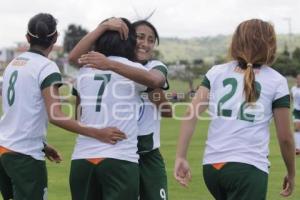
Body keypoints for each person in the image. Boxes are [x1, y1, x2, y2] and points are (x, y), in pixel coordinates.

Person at [0, 13, 125, 200]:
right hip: (24, 156)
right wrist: (98, 133)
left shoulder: (13, 64)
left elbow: (19, 113)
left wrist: (42, 145)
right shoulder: (46, 67)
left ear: (27, 38)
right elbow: (56, 115)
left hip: (4, 150)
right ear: (56, 37)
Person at [174, 19, 295, 200]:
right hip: (247, 168)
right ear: (270, 45)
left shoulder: (216, 72)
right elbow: (285, 137)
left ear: (236, 42)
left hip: (212, 167)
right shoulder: (276, 80)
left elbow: (190, 114)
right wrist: (291, 173)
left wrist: (180, 157)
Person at [69, 18, 172, 200]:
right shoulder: (99, 66)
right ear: (128, 39)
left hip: (145, 153)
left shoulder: (152, 67)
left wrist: (147, 91)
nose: (145, 44)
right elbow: (80, 113)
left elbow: (166, 109)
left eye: (151, 40)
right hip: (121, 153)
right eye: (140, 37)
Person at [291, 73, 300, 155]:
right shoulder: (293, 88)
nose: (298, 80)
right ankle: (297, 148)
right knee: (297, 128)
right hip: (296, 111)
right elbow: (291, 98)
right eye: (298, 79)